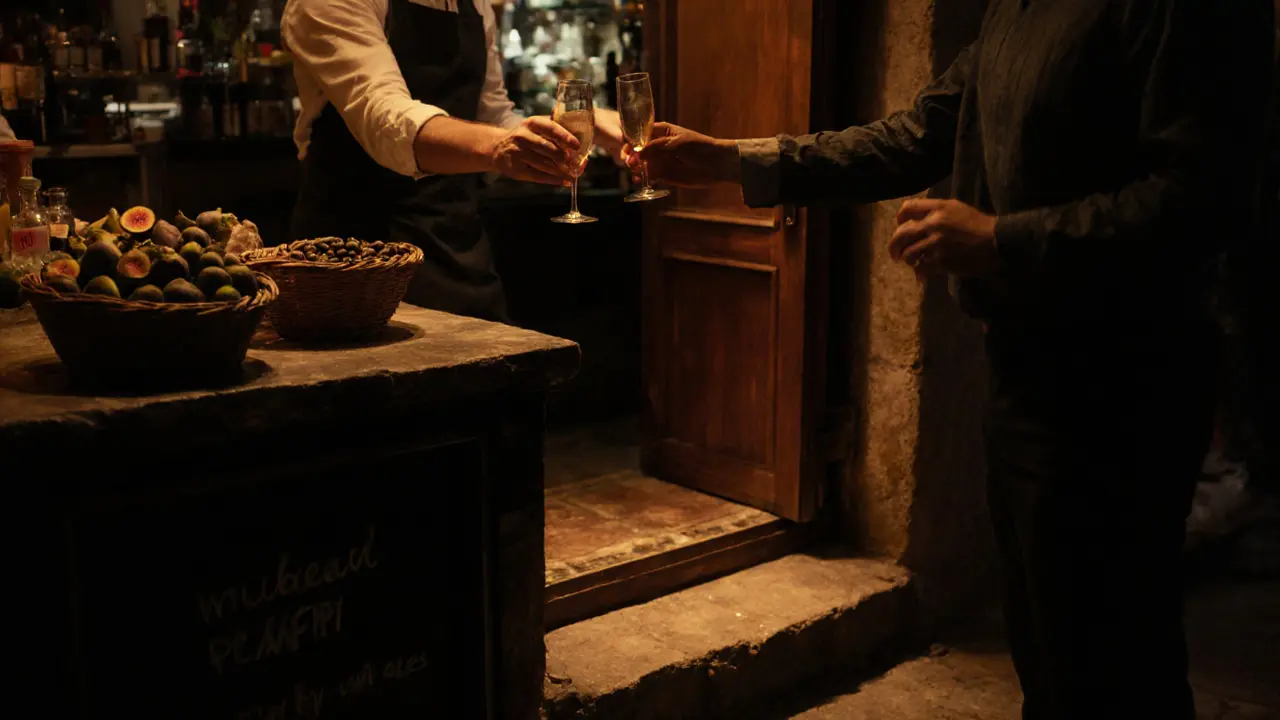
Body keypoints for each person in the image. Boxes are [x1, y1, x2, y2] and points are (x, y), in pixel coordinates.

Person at [631, 1, 1276, 718]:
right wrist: (733, 160)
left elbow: (1201, 200)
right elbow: (916, 133)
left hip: (1127, 382)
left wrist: (1002, 239)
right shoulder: (1016, 8)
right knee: (1049, 650)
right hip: (1022, 368)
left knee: (1116, 660)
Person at [282, 0, 625, 323]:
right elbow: (385, 120)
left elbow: (494, 114)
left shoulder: (474, 4)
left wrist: (569, 127)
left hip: (456, 244)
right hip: (355, 263)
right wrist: (500, 147)